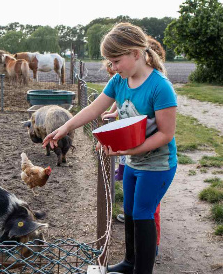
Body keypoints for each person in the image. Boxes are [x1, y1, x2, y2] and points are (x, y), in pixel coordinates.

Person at [42, 22, 177, 274]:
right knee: (129, 211)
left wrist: (128, 152)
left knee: (143, 213)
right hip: (135, 162)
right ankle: (129, 263)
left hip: (158, 165)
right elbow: (94, 109)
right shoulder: (120, 81)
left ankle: (142, 271)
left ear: (136, 54)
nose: (112, 68)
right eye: (109, 62)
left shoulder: (160, 87)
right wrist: (64, 128)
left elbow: (166, 134)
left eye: (115, 61)